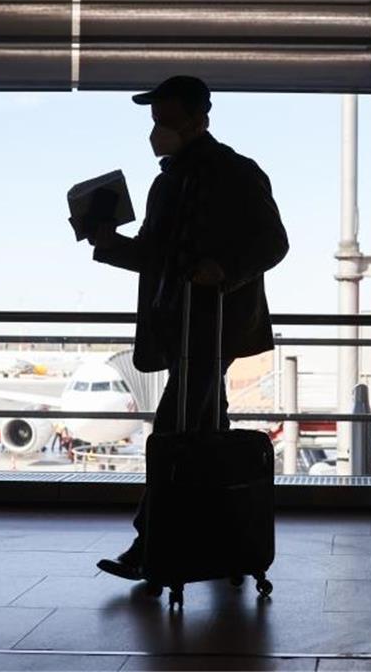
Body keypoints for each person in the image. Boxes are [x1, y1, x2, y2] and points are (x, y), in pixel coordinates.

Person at [89, 76, 289, 580]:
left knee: (175, 432)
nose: (157, 132)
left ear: (199, 120)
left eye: (166, 121)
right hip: (183, 326)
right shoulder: (171, 181)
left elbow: (274, 242)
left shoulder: (233, 174)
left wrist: (223, 270)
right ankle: (227, 540)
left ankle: (152, 544)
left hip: (209, 327)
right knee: (205, 431)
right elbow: (158, 257)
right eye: (157, 122)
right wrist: (108, 242)